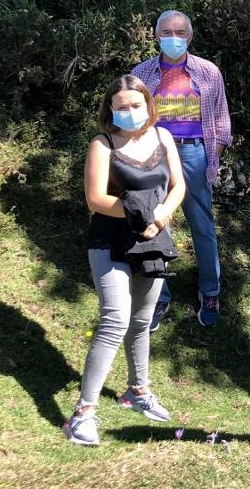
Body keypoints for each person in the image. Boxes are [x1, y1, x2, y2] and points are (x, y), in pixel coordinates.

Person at [65, 76, 186, 445]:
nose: (130, 112)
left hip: (153, 238)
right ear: (110, 110)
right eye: (121, 106)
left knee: (143, 319)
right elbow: (95, 199)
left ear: (148, 105)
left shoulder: (164, 138)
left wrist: (161, 216)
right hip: (109, 241)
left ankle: (138, 391)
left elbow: (178, 185)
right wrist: (141, 214)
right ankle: (83, 414)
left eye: (136, 104)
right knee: (115, 319)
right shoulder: (102, 145)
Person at [132, 9, 232, 329]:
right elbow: (132, 117)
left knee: (202, 225)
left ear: (190, 37)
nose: (173, 38)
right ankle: (158, 298)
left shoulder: (208, 72)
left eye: (179, 33)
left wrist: (212, 152)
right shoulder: (142, 73)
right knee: (157, 224)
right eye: (167, 32)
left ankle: (211, 290)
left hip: (194, 155)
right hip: (155, 155)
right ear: (156, 35)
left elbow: (221, 118)